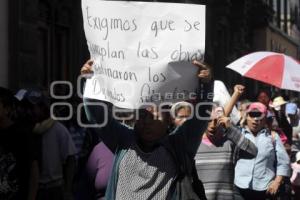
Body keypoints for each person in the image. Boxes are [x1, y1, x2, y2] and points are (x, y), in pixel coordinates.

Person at [81, 59, 213, 200]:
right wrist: (91, 81)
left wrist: (206, 84)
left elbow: (201, 115)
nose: (147, 122)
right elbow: (96, 114)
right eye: (143, 114)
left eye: (154, 115)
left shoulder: (180, 145)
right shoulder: (124, 140)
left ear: (168, 118)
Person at [193, 85, 258, 200]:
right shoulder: (193, 144)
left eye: (216, 121)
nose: (212, 125)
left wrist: (231, 129)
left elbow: (253, 152)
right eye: (208, 121)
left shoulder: (229, 143)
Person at [234, 102, 291, 200]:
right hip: (239, 186)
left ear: (265, 119)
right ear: (247, 117)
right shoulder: (238, 134)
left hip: (265, 188)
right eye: (252, 116)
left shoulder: (272, 137)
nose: (255, 121)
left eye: (259, 117)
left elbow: (284, 162)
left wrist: (277, 182)